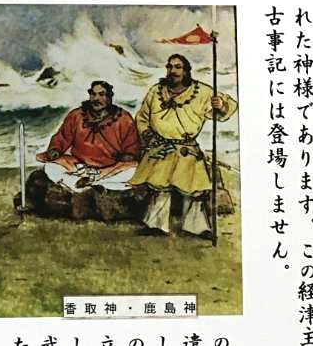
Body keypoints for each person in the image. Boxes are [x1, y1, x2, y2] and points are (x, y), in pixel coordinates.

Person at [129, 53, 236, 240]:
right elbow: (142, 117)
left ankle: (196, 227)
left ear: (186, 71)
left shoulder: (202, 92)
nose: (173, 71)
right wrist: (148, 136)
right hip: (161, 148)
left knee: (195, 190)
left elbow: (227, 108)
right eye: (170, 67)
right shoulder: (156, 91)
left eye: (178, 67)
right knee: (160, 188)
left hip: (187, 149)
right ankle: (156, 225)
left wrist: (220, 105)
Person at [23, 80, 141, 220]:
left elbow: (132, 146)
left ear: (110, 97)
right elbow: (62, 137)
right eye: (93, 94)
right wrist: (55, 149)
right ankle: (83, 186)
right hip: (79, 167)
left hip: (109, 169)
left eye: (101, 94)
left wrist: (128, 156)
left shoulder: (123, 118)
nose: (96, 98)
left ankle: (94, 184)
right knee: (51, 167)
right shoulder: (76, 115)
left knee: (133, 171)